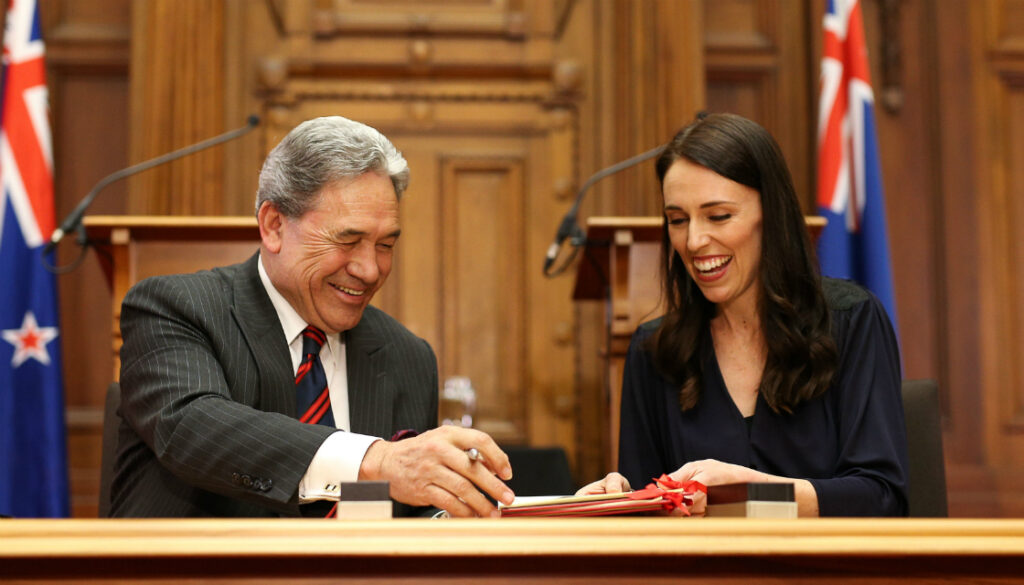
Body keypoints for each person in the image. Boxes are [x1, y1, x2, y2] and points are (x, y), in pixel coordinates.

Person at [110, 116, 514, 518]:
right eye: (349, 240)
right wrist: (375, 460)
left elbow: (408, 518)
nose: (370, 269)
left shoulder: (407, 356)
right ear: (274, 226)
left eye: (385, 245)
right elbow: (193, 427)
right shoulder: (174, 308)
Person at [578, 113, 908, 517]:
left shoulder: (852, 321)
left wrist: (756, 493)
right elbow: (654, 524)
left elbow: (882, 498)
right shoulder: (654, 351)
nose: (695, 241)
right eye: (678, 220)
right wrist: (620, 504)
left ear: (771, 214)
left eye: (718, 216)